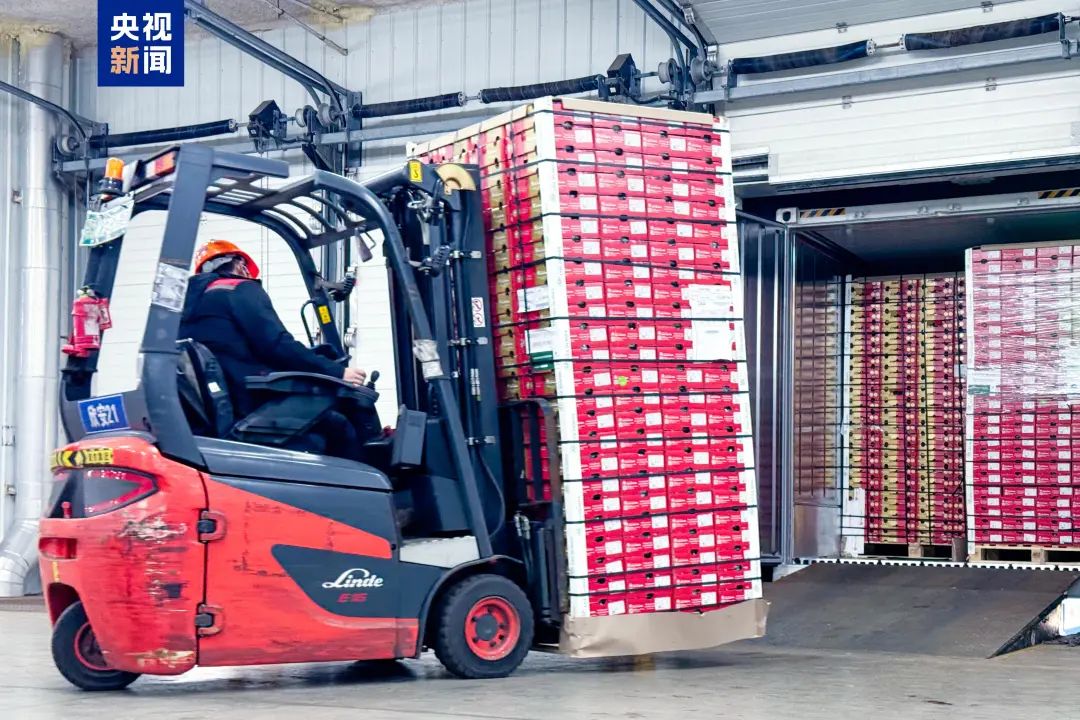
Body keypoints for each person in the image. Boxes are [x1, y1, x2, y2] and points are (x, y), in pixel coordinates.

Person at [180, 240, 368, 458]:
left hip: (221, 406)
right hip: (250, 402)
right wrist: (338, 372)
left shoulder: (187, 305)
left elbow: (237, 349)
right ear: (239, 264)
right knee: (339, 425)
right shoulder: (239, 288)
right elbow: (276, 345)